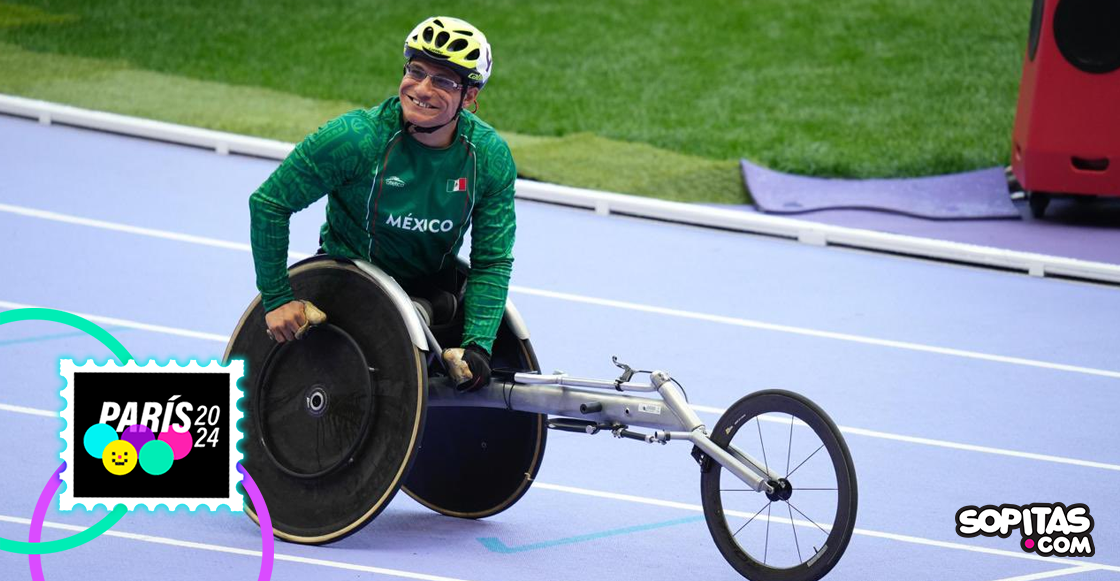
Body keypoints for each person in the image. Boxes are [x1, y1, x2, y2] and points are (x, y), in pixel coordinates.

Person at [248, 16, 515, 392]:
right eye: (416, 71)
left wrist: (477, 346)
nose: (422, 89)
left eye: (442, 80)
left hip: (429, 291)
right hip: (349, 286)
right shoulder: (354, 139)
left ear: (469, 96)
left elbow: (492, 261)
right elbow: (269, 203)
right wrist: (276, 299)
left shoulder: (488, 157)